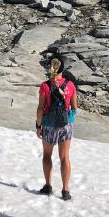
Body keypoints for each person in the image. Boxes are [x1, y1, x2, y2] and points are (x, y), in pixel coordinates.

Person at [35, 57, 78, 200]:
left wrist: (38, 126)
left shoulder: (45, 86)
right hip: (65, 124)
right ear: (63, 69)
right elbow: (74, 107)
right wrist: (70, 122)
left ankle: (48, 186)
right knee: (65, 157)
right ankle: (65, 191)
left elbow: (40, 108)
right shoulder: (70, 85)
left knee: (47, 155)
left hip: (48, 124)